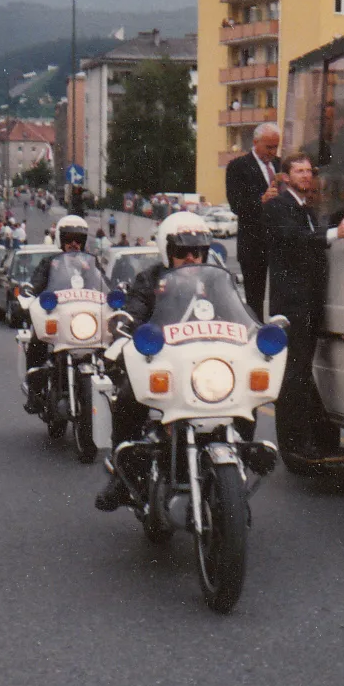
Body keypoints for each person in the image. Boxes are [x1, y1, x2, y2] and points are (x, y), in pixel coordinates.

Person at [95, 212, 221, 511]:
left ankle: (235, 472)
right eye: (182, 251)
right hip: (163, 363)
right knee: (128, 396)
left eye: (199, 251)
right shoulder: (149, 280)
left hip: (207, 366)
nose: (192, 257)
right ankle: (122, 476)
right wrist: (127, 323)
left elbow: (237, 311)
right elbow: (135, 310)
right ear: (167, 251)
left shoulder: (216, 282)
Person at [264, 154, 344, 459]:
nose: (306, 176)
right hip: (291, 304)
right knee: (294, 371)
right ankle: (294, 445)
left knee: (303, 368)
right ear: (285, 177)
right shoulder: (278, 207)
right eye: (299, 171)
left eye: (308, 171)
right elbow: (294, 239)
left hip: (309, 301)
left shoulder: (308, 210)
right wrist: (333, 233)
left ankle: (318, 437)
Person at [24, 214, 94, 413]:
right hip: (57, 317)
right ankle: (35, 394)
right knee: (37, 340)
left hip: (86, 320)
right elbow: (37, 283)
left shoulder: (92, 263)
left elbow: (103, 284)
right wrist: (30, 291)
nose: (74, 243)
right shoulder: (50, 263)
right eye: (69, 239)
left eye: (79, 239)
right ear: (61, 241)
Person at [225, 122, 281, 317]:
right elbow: (236, 205)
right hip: (253, 244)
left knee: (280, 297)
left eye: (276, 146)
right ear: (256, 143)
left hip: (278, 243)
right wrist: (261, 200)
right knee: (255, 299)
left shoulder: (280, 165)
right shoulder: (238, 166)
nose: (273, 152)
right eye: (269, 147)